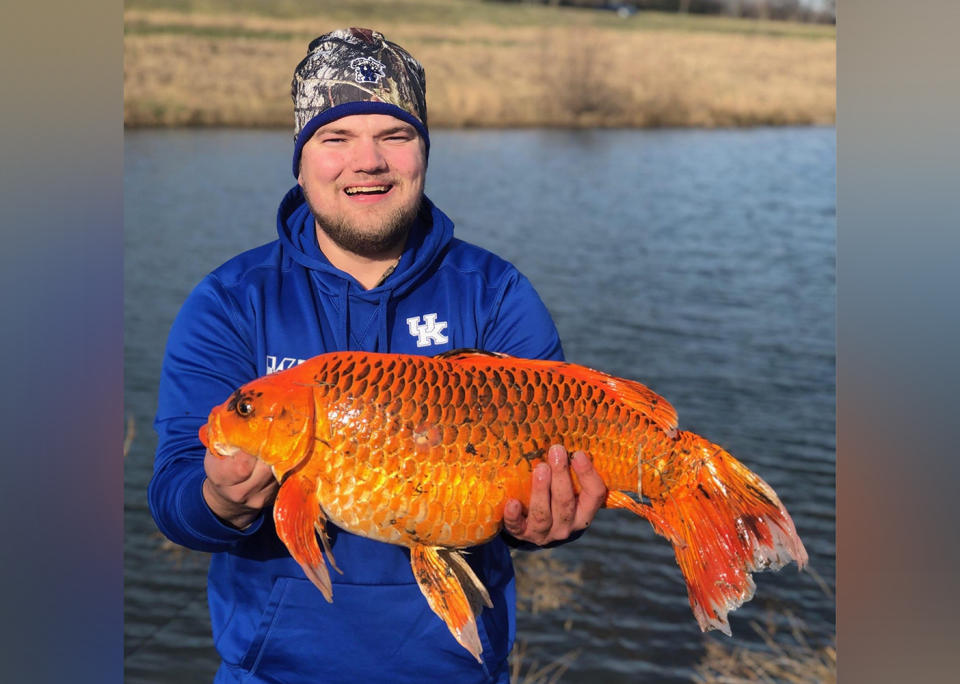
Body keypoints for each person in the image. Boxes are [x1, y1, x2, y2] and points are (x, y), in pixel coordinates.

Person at [149, 27, 607, 684]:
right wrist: (220, 502)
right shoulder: (230, 301)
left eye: (394, 135)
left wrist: (552, 523)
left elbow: (559, 479)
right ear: (301, 161)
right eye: (335, 138)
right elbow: (172, 496)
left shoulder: (497, 294)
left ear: (423, 151)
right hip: (273, 675)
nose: (368, 161)